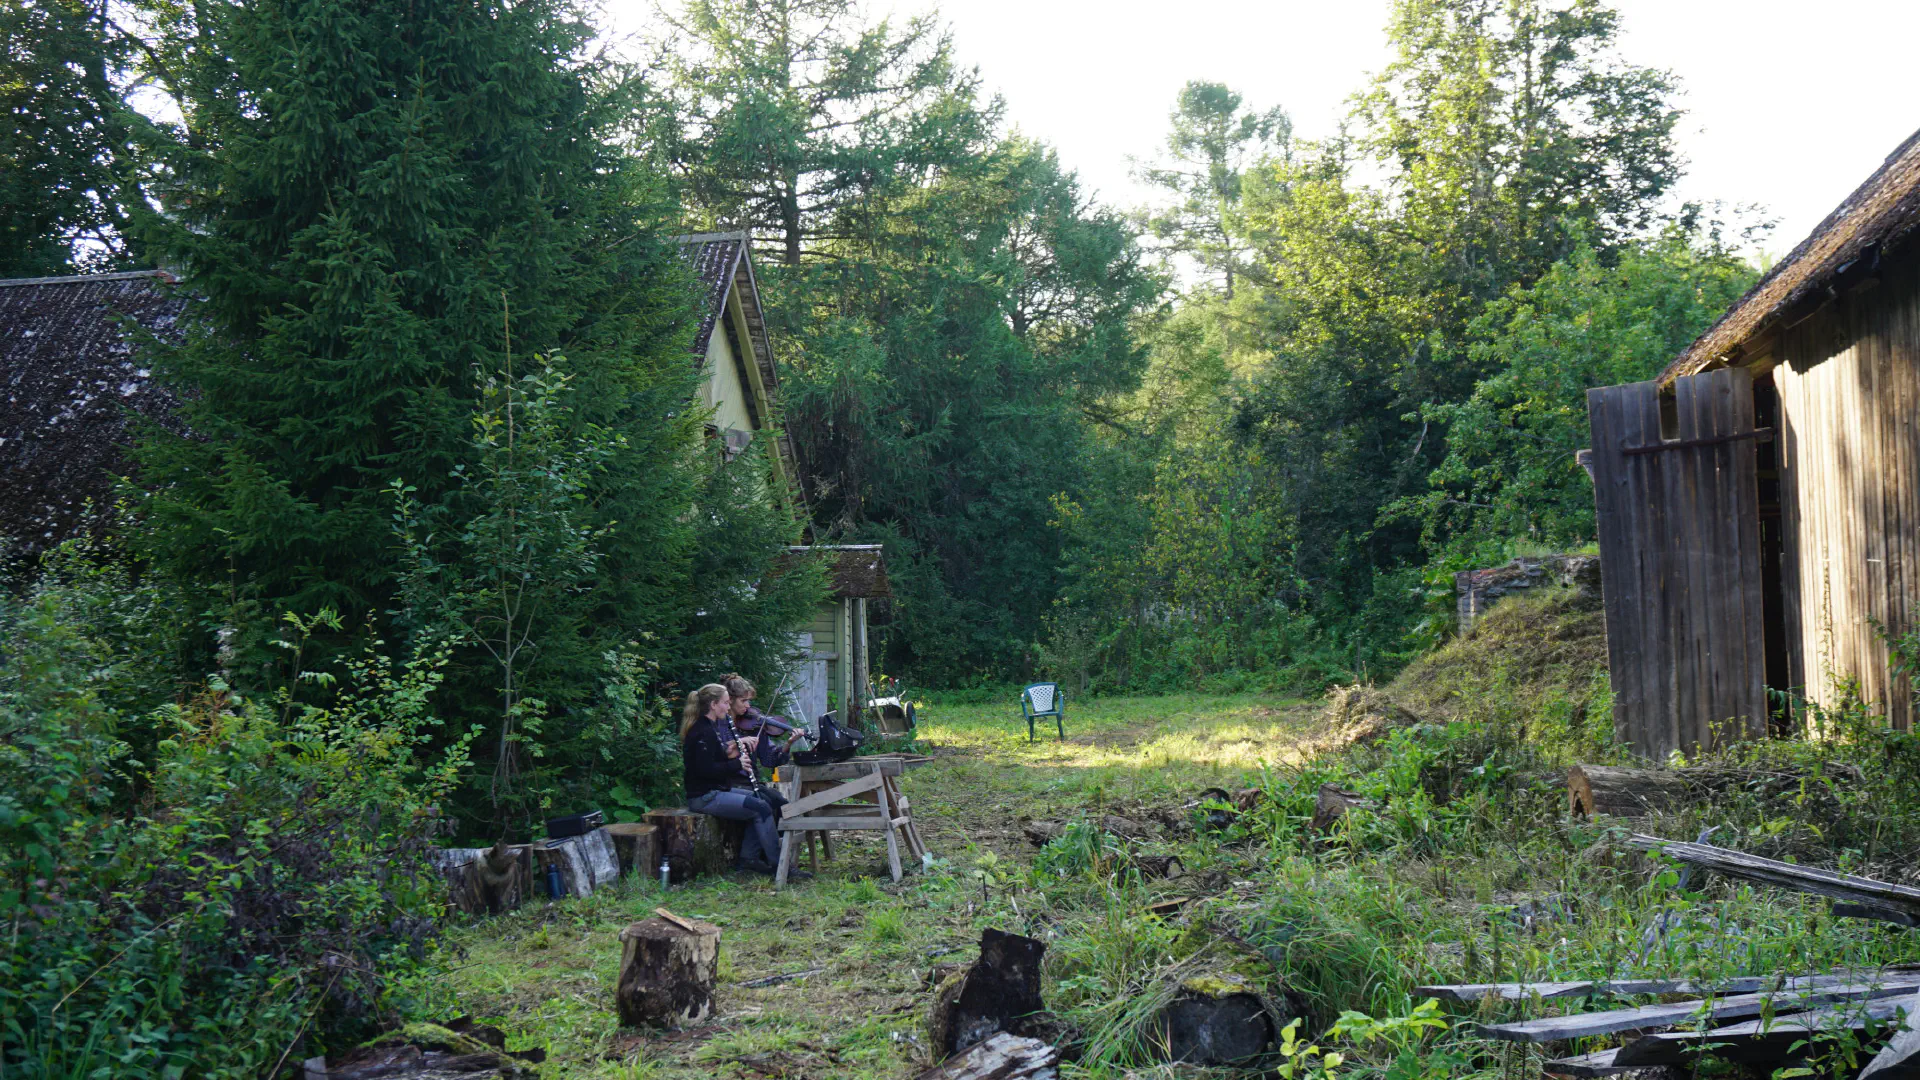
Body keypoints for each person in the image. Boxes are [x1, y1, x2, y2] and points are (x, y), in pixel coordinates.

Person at [681, 683, 807, 879]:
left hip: (717, 789)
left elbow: (713, 759)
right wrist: (737, 763)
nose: (727, 706)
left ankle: (749, 860)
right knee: (760, 807)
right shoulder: (701, 731)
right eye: (725, 703)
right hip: (704, 796)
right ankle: (780, 865)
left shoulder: (710, 727)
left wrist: (727, 753)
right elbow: (705, 771)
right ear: (713, 705)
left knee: (764, 801)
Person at [721, 673, 805, 772]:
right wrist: (740, 741)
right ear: (730, 700)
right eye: (743, 701)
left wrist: (789, 743)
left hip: (750, 782)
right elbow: (714, 753)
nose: (748, 706)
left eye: (748, 701)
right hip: (727, 782)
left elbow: (770, 760)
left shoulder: (753, 727)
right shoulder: (717, 724)